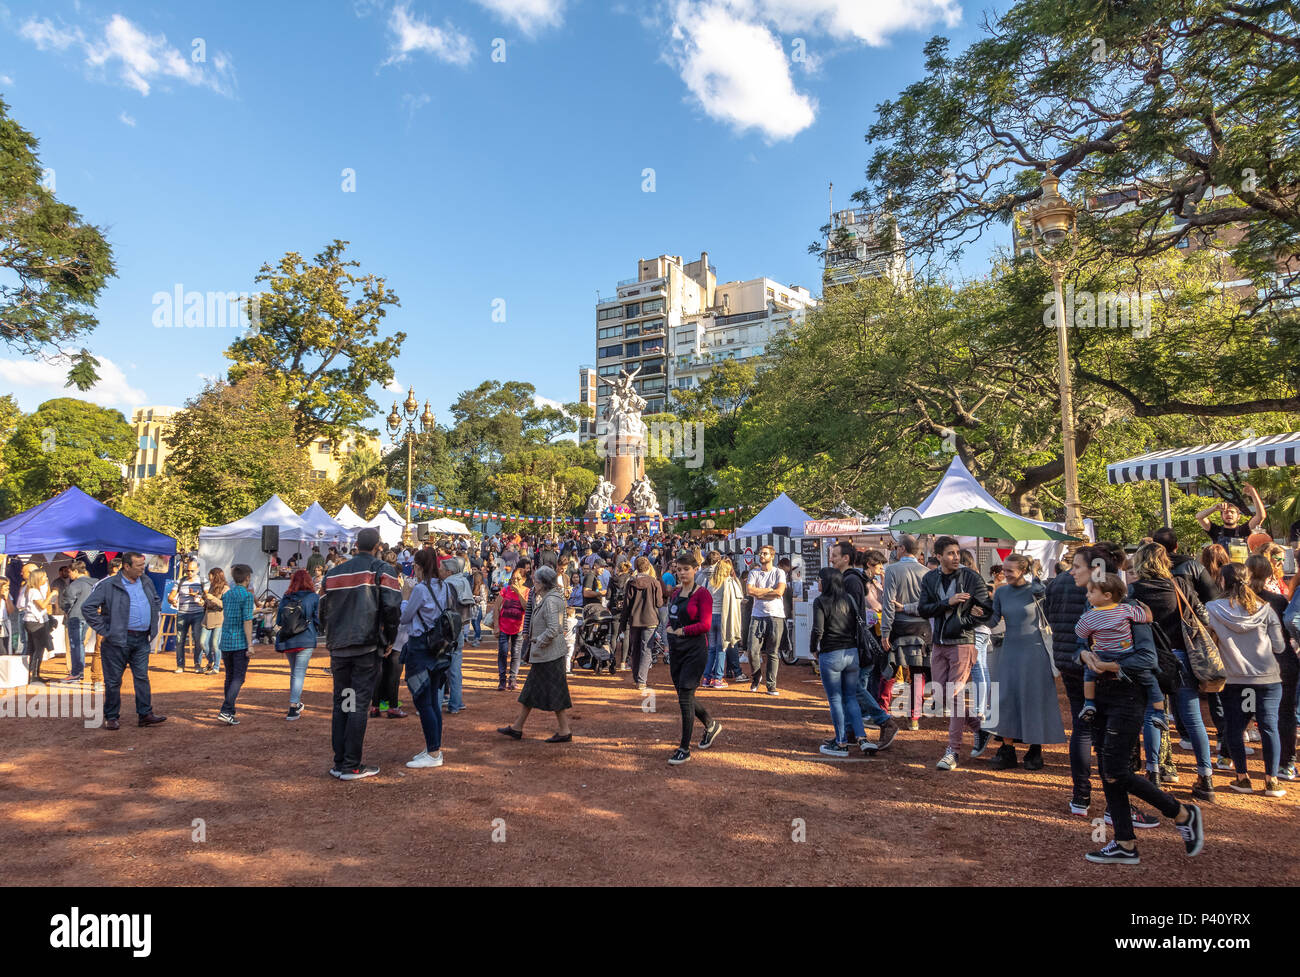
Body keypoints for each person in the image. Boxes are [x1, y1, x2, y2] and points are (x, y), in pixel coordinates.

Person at [1078, 632, 1205, 864]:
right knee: (1108, 772)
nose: (1088, 593)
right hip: (1099, 696)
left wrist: (1107, 664)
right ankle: (1124, 842)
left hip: (1127, 697)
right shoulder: (1093, 606)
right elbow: (1079, 645)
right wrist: (1084, 655)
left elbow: (1147, 658)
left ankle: (1180, 812)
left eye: (1091, 591)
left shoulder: (1133, 611)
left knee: (1116, 771)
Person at [1128, 543, 1216, 800]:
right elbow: (1204, 618)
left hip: (1148, 658)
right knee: (1193, 718)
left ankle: (1153, 773)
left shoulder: (1134, 590)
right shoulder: (1180, 585)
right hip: (1181, 656)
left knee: (1153, 715)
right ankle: (1205, 777)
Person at [321, 527, 402, 781]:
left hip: (340, 648)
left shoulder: (332, 573)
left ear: (356, 544)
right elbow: (392, 609)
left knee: (343, 702)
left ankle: (340, 761)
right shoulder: (381, 570)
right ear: (378, 545)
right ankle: (351, 765)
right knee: (356, 704)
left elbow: (322, 610)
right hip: (366, 648)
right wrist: (389, 639)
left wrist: (332, 635)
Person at [979, 553, 1064, 770]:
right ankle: (1007, 749)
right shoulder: (1002, 591)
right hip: (1010, 650)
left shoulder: (1037, 591)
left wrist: (1042, 591)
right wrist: (980, 613)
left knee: (1033, 698)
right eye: (1004, 570)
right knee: (1006, 698)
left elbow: (1051, 615)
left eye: (1010, 571)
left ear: (1023, 571)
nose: (1004, 574)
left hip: (1035, 651)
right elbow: (994, 620)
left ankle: (1035, 750)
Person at [1208, 562, 1285, 796]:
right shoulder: (1266, 609)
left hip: (1235, 679)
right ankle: (1272, 781)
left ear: (1222, 581)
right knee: (1269, 728)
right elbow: (1280, 647)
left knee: (1235, 727)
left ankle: (1242, 777)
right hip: (1267, 678)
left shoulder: (1212, 608)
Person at [917, 536, 993, 770]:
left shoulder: (971, 577)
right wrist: (947, 602)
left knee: (954, 694)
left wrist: (965, 621)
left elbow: (987, 611)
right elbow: (923, 609)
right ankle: (979, 729)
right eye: (950, 553)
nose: (956, 557)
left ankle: (953, 751)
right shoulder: (930, 578)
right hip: (939, 643)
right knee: (941, 694)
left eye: (957, 552)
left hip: (962, 642)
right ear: (938, 556)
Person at [811, 566, 899, 756]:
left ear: (826, 582)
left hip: (831, 653)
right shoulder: (849, 599)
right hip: (851, 654)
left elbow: (818, 630)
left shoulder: (820, 601)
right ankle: (861, 737)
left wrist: (813, 649)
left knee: (835, 698)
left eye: (819, 579)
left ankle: (841, 742)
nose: (818, 582)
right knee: (851, 696)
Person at [82, 552, 167, 730]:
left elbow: (155, 600)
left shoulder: (146, 581)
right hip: (117, 640)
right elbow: (88, 607)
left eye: (143, 565)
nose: (143, 568)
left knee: (142, 677)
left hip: (142, 639)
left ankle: (145, 714)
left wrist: (153, 610)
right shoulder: (108, 584)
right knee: (113, 681)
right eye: (139, 565)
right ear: (126, 566)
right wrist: (105, 630)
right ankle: (111, 716)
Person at [1075, 575, 1164, 736]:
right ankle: (1159, 712)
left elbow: (1079, 632)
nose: (1087, 595)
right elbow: (1147, 617)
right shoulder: (1127, 609)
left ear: (1107, 595)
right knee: (1151, 681)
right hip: (1125, 654)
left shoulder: (1089, 615)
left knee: (1089, 675)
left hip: (1103, 657)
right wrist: (1145, 608)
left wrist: (1090, 654)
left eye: (1091, 592)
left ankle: (1089, 702)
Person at [497, 566, 573, 743]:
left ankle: (564, 730)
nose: (534, 584)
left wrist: (539, 641)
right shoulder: (552, 597)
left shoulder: (550, 600)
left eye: (537, 581)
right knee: (532, 692)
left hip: (549, 654)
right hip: (548, 654)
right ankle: (518, 727)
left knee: (555, 692)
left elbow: (554, 629)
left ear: (544, 583)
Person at [400, 548, 454, 769]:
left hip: (420, 647)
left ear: (420, 567)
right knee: (432, 700)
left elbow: (405, 618)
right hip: (438, 647)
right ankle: (434, 747)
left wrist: (404, 598)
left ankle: (434, 753)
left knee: (423, 700)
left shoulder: (421, 589)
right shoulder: (444, 586)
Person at [663, 552, 719, 765]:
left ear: (695, 569)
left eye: (686, 569)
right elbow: (673, 615)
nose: (682, 573)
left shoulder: (702, 594)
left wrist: (683, 631)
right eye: (679, 569)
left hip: (695, 650)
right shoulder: (676, 593)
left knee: (685, 696)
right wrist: (670, 627)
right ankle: (710, 724)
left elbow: (705, 624)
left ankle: (684, 748)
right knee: (683, 695)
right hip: (677, 649)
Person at [1249, 554, 1296, 781]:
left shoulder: (1236, 601)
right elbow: (1288, 632)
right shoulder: (1277, 601)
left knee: (1249, 711)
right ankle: (1286, 764)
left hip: (1250, 666)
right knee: (1283, 714)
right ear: (1270, 573)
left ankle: (1230, 759)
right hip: (1282, 662)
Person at [880, 535, 930, 730]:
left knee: (889, 670)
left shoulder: (892, 570)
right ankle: (914, 717)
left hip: (898, 627)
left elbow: (888, 604)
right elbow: (928, 606)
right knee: (918, 673)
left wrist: (885, 632)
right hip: (922, 629)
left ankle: (883, 713)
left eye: (896, 546)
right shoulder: (927, 572)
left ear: (902, 549)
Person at [275, 568, 320, 721]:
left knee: (295, 672)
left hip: (288, 639)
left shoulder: (286, 597)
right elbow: (317, 619)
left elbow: (279, 620)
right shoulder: (313, 597)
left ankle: (296, 704)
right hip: (306, 637)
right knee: (298, 673)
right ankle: (293, 707)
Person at [744, 545, 787, 695]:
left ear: (772, 556)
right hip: (757, 615)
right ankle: (756, 677)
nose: (761, 555)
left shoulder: (779, 572)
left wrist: (760, 593)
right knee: (752, 650)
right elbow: (750, 591)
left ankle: (771, 684)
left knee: (772, 652)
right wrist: (770, 591)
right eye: (760, 553)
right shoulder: (754, 572)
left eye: (765, 553)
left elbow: (780, 592)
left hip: (776, 615)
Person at [216, 564, 256, 725]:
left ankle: (230, 711)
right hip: (239, 641)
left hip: (226, 640)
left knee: (230, 677)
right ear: (247, 578)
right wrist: (250, 644)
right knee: (238, 678)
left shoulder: (227, 595)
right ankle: (226, 710)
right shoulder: (247, 596)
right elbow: (247, 620)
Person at [621, 557, 663, 693]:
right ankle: (642, 680)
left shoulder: (631, 583)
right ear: (648, 567)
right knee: (646, 649)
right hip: (650, 620)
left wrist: (623, 623)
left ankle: (636, 677)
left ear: (636, 567)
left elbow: (626, 605)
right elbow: (659, 603)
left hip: (634, 620)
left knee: (636, 648)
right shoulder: (654, 583)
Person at [704, 557, 743, 688]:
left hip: (710, 617)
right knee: (722, 648)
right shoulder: (729, 582)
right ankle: (718, 678)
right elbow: (738, 597)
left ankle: (706, 678)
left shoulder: (710, 582)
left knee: (711, 649)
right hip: (723, 617)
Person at [18, 567, 56, 686]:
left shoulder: (33, 589)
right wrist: (52, 594)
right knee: (37, 649)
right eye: (44, 577)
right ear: (38, 578)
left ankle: (34, 674)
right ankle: (34, 675)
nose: (46, 578)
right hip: (34, 622)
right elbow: (42, 605)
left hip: (33, 621)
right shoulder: (33, 591)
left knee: (35, 648)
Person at [58, 560, 94, 684]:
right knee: (80, 644)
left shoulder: (75, 584)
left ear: (75, 571)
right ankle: (79, 672)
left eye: (70, 572)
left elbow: (67, 601)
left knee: (75, 645)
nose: (69, 575)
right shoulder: (95, 583)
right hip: (88, 616)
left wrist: (67, 610)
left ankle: (76, 673)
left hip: (75, 617)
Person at [169, 557, 207, 674]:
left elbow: (207, 596)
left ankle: (197, 664)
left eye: (192, 570)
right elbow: (171, 596)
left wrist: (199, 597)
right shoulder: (180, 581)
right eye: (188, 570)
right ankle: (180, 665)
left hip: (198, 614)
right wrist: (172, 601)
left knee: (198, 640)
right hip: (182, 613)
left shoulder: (203, 581)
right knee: (180, 640)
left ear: (198, 569)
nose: (189, 573)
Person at [493, 567, 528, 691]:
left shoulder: (527, 591)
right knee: (502, 653)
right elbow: (497, 607)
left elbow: (526, 608)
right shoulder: (505, 590)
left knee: (516, 654)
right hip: (503, 626)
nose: (515, 581)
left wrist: (518, 592)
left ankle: (512, 680)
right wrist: (496, 626)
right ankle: (502, 680)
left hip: (518, 627)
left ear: (523, 580)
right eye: (513, 579)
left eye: (518, 579)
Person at [1196, 487, 1265, 550]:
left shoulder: (1244, 529)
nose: (1229, 514)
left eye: (1232, 512)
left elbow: (1261, 516)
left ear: (1238, 517)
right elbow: (1199, 517)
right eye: (1225, 512)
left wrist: (1253, 494)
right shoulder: (1215, 530)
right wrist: (1214, 508)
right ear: (1222, 516)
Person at [200, 568, 227, 674]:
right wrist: (203, 602)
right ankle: (210, 662)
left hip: (218, 620)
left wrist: (212, 598)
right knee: (202, 643)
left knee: (215, 644)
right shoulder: (211, 587)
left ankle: (216, 667)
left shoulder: (225, 588)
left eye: (210, 576)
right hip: (207, 619)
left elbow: (224, 605)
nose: (209, 579)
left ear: (216, 576)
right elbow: (208, 602)